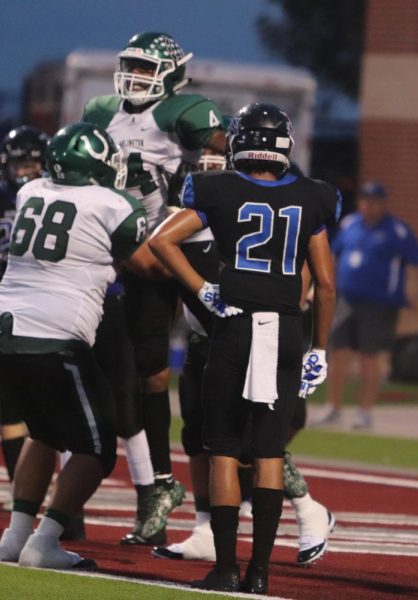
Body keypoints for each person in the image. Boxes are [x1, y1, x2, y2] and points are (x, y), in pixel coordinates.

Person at [149, 103, 339, 593]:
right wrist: (318, 347)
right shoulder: (312, 196)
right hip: (284, 331)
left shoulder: (218, 188)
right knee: (270, 451)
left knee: (224, 450)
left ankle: (227, 567)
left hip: (232, 326)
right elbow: (326, 283)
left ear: (240, 141)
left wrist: (201, 287)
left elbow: (162, 241)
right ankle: (260, 573)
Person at [83, 31, 226, 545]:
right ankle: (159, 483)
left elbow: (228, 151)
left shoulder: (184, 112)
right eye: (131, 66)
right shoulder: (101, 111)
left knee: (226, 351)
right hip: (128, 251)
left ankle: (282, 470)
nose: (136, 77)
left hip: (185, 246)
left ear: (169, 73)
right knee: (147, 375)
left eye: (146, 68)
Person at [0, 122, 147, 569]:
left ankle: (15, 537)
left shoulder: (30, 190)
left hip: (1, 326)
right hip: (55, 331)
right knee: (97, 448)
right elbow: (145, 258)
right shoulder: (113, 204)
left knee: (43, 433)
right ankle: (44, 541)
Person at [311, 181, 418, 430]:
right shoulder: (350, 223)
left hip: (379, 303)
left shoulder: (396, 230)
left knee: (369, 356)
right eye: (364, 200)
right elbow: (333, 253)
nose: (368, 205)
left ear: (383, 203)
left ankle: (364, 412)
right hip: (346, 298)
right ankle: (333, 406)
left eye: (374, 201)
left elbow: (417, 261)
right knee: (338, 352)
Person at [0, 126, 49, 483]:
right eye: (19, 164)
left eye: (32, 164)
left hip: (45, 301)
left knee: (46, 396)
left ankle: (44, 481)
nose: (25, 171)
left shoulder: (55, 196)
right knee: (8, 397)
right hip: (4, 300)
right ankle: (19, 484)